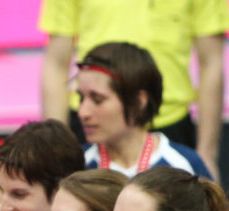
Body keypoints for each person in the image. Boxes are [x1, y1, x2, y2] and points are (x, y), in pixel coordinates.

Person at [38, 0, 229, 178]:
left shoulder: (184, 161)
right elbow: (56, 64)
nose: (84, 112)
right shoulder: (86, 117)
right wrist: (56, 149)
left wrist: (207, 154)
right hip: (95, 122)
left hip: (171, 120)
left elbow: (212, 63)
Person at [75, 42, 212, 178]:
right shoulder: (77, 167)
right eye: (81, 98)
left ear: (139, 102)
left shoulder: (184, 166)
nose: (83, 113)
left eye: (98, 100)